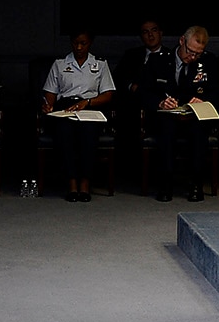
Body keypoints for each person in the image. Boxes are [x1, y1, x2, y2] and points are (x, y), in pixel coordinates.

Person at [137, 25, 214, 202]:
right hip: (167, 116)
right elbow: (144, 92)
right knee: (166, 129)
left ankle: (196, 184)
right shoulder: (158, 61)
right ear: (182, 41)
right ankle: (165, 183)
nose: (193, 57)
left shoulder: (208, 63)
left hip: (193, 117)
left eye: (198, 53)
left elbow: (218, 91)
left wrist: (204, 101)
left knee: (199, 131)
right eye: (191, 51)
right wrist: (160, 103)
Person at [41, 31, 115, 203]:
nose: (79, 47)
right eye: (75, 43)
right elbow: (50, 93)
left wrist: (87, 102)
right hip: (65, 108)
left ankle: (85, 183)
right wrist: (48, 105)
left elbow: (108, 94)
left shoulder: (100, 64)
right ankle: (72, 183)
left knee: (89, 134)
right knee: (63, 132)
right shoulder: (59, 64)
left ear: (90, 43)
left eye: (83, 43)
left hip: (89, 108)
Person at [116, 19, 172, 149]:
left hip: (158, 107)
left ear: (161, 33)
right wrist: (132, 86)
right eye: (145, 32)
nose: (150, 35)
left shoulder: (170, 56)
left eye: (154, 30)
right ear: (141, 36)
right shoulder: (131, 55)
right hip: (133, 106)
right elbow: (119, 78)